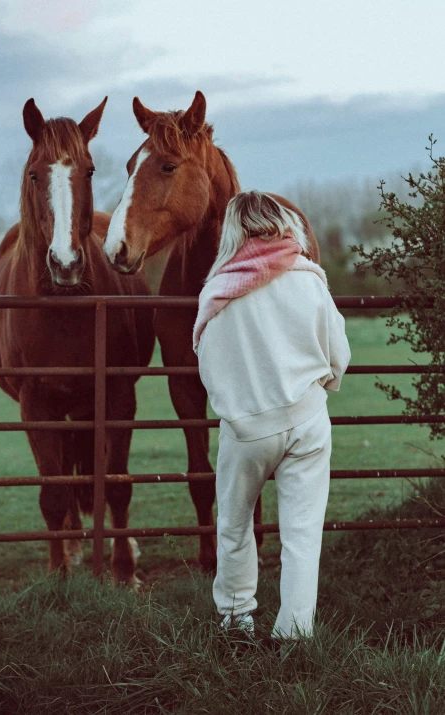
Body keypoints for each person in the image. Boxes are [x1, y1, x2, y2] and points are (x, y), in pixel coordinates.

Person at [193, 190, 351, 642]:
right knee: (302, 533)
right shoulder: (309, 279)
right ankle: (295, 634)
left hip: (247, 429)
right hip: (307, 421)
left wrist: (239, 408)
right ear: (283, 224)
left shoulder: (218, 292)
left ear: (233, 231)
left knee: (235, 524)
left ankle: (236, 617)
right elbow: (339, 354)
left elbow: (208, 366)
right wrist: (317, 386)